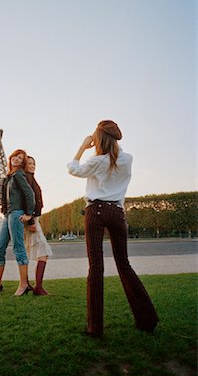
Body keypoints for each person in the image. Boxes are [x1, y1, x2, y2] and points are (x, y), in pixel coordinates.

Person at [67, 120, 159, 338]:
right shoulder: (128, 159)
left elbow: (73, 169)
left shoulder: (96, 160)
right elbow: (117, 154)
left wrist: (82, 146)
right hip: (117, 213)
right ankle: (147, 319)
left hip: (95, 211)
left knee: (96, 267)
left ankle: (95, 327)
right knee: (124, 264)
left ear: (98, 139)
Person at [0, 149, 35, 296]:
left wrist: (29, 214)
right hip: (8, 214)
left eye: (20, 158)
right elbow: (4, 198)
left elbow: (30, 193)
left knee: (18, 248)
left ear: (22, 162)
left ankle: (24, 284)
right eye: (15, 156)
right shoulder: (8, 177)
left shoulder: (19, 175)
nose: (16, 159)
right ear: (11, 158)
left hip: (16, 214)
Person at [24, 156, 53, 295]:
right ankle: (37, 286)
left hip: (34, 219)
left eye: (34, 163)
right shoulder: (27, 178)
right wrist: (31, 222)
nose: (32, 165)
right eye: (29, 163)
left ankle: (31, 285)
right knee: (43, 251)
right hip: (32, 220)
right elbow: (27, 200)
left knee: (31, 252)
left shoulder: (30, 178)